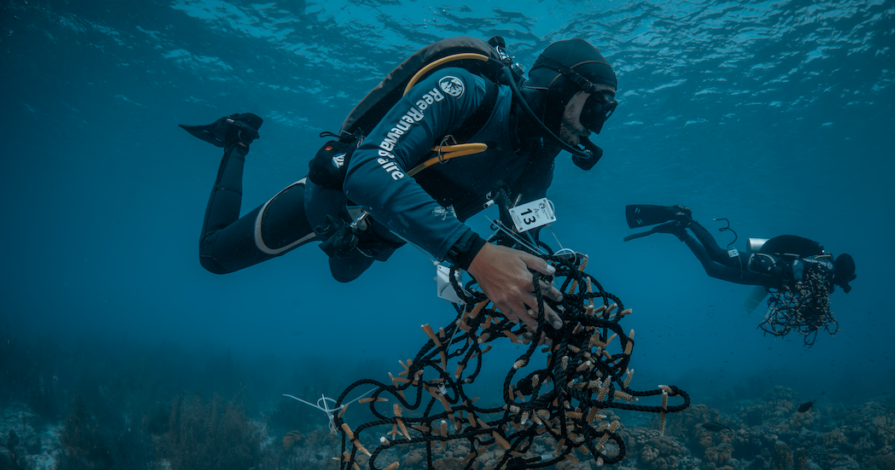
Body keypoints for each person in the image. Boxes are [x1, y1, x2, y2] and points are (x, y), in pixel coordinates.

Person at [181, 37, 619, 331]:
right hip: (341, 197)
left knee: (344, 273)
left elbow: (518, 246)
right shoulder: (463, 89)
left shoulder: (537, 163)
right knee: (214, 257)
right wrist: (475, 256)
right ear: (561, 87)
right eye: (596, 108)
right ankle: (236, 138)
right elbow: (370, 165)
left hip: (385, 231)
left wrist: (523, 304)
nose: (595, 129)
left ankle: (349, 239)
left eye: (605, 115)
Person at [623, 205, 856, 293]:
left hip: (763, 279)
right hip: (765, 265)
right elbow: (794, 261)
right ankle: (686, 219)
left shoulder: (824, 275)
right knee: (717, 254)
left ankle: (679, 231)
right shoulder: (824, 266)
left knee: (712, 270)